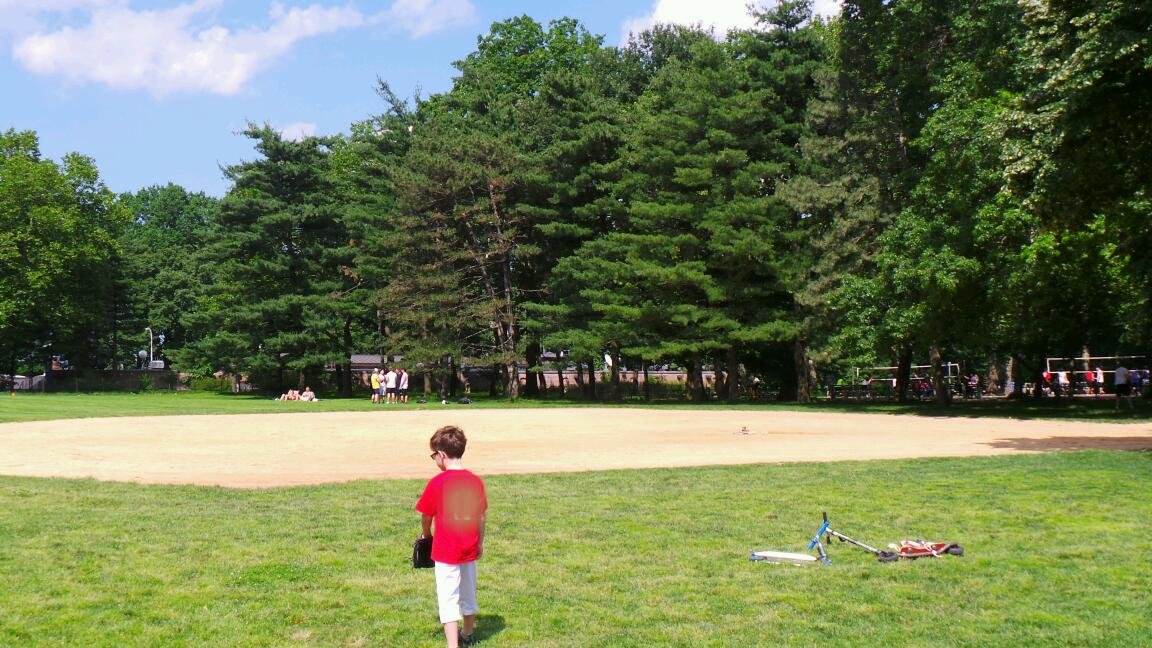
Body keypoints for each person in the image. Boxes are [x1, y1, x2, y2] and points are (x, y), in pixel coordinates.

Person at [416, 426, 488, 648]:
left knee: (447, 596)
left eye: (434, 455)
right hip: (468, 547)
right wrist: (480, 544)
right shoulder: (474, 481)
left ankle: (452, 644)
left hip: (445, 550)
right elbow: (481, 517)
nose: (434, 459)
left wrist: (426, 535)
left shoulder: (437, 483)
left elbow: (427, 516)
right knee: (468, 591)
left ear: (442, 455)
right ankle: (467, 633)